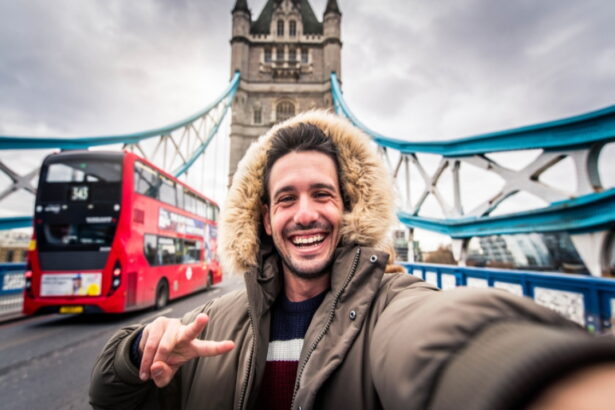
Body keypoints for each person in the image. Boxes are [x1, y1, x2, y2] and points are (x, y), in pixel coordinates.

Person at [90, 110, 615, 410]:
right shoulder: (216, 323)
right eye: (286, 199)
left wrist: (537, 376)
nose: (305, 214)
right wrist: (138, 351)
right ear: (265, 219)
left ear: (348, 208)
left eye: (323, 194)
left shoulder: (388, 306)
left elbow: (437, 338)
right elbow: (108, 394)